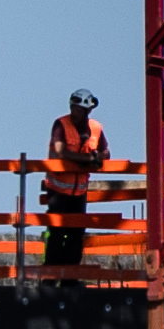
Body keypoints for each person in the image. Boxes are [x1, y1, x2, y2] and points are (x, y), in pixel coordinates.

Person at [42, 90, 111, 269]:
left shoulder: (95, 128)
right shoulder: (61, 125)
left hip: (79, 191)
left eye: (79, 109)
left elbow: (106, 153)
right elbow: (60, 152)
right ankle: (50, 278)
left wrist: (97, 157)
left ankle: (70, 280)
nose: (75, 112)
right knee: (57, 233)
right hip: (58, 190)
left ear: (87, 111)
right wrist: (87, 160)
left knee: (76, 234)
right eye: (73, 107)